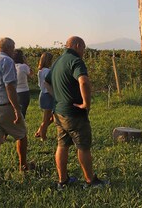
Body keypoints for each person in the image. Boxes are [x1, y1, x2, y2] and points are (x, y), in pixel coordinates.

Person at [45, 36, 109, 190]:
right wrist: (86, 103)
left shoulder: (58, 61)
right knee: (83, 147)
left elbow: (46, 82)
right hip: (74, 113)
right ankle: (90, 181)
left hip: (59, 112)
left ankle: (63, 181)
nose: (84, 52)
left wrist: (58, 97)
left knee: (62, 145)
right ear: (78, 45)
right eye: (84, 49)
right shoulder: (75, 61)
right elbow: (84, 81)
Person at [0, 37, 33, 190]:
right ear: (9, 48)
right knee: (22, 134)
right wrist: (16, 109)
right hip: (3, 105)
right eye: (13, 48)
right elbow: (9, 87)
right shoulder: (7, 61)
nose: (14, 51)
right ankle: (23, 165)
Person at [34, 52, 54, 141]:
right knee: (46, 119)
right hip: (48, 94)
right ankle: (43, 136)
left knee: (51, 117)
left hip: (43, 94)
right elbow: (48, 84)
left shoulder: (40, 71)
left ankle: (40, 131)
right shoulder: (48, 71)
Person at [13, 49, 32, 119]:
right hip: (24, 92)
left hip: (13, 91)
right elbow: (31, 74)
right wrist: (26, 62)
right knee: (22, 112)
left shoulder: (11, 66)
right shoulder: (24, 66)